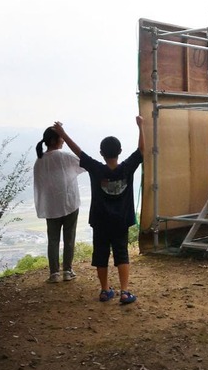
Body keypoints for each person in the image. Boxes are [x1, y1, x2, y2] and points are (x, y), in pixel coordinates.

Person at [54, 116, 144, 305]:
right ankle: (125, 292)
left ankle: (104, 291)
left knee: (101, 255)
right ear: (119, 152)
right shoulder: (127, 169)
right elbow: (141, 150)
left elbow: (78, 152)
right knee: (122, 254)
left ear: (101, 153)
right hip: (121, 221)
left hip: (100, 220)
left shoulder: (96, 169)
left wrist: (63, 134)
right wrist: (140, 126)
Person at [33, 126, 86, 283]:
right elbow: (83, 163)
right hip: (69, 202)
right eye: (61, 137)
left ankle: (54, 273)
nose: (63, 140)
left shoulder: (39, 161)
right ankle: (67, 271)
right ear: (53, 140)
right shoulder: (64, 156)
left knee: (53, 239)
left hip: (51, 206)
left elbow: (40, 185)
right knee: (69, 238)